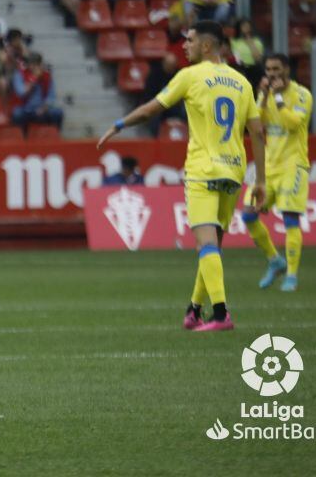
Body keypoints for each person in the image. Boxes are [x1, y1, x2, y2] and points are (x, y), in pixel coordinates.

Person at [97, 20, 267, 332]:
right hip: (234, 171)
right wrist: (262, 180)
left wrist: (119, 125)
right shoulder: (241, 82)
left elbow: (151, 110)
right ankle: (193, 309)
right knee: (213, 245)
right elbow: (257, 131)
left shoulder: (190, 76)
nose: (184, 46)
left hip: (202, 170)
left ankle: (220, 314)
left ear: (206, 45)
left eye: (189, 40)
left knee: (206, 246)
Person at [241, 54, 312, 293]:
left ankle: (291, 275)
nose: (271, 74)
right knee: (248, 214)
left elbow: (293, 123)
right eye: (268, 69)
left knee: (290, 219)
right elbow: (257, 125)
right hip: (269, 167)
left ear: (286, 70)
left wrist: (279, 97)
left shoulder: (302, 95)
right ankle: (275, 260)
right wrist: (263, 100)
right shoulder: (266, 94)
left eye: (276, 69)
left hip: (294, 165)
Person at [11, 52, 63, 129]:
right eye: (32, 64)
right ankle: (22, 138)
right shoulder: (19, 74)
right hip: (25, 109)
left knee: (57, 113)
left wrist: (44, 108)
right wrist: (34, 78)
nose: (35, 67)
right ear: (28, 65)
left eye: (37, 64)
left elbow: (51, 97)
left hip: (42, 109)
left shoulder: (47, 76)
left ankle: (54, 136)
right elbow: (22, 93)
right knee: (17, 114)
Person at [230, 18, 265, 90]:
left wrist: (250, 43)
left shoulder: (257, 41)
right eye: (244, 26)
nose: (246, 28)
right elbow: (233, 57)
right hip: (240, 69)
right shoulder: (233, 41)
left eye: (248, 26)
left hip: (254, 69)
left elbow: (258, 59)